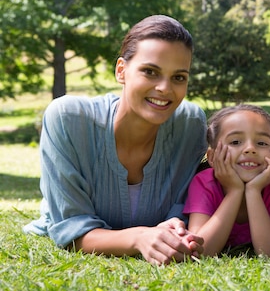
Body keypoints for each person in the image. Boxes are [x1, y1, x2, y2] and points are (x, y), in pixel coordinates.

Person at [23, 15, 208, 265]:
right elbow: (71, 230)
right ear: (121, 70)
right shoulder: (68, 119)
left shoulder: (190, 124)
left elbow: (181, 211)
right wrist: (138, 238)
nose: (165, 88)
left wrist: (176, 227)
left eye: (178, 77)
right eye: (150, 72)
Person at [184, 104, 270, 257]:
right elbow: (201, 249)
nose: (250, 149)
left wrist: (253, 190)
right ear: (212, 157)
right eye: (235, 142)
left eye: (262, 143)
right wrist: (235, 191)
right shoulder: (204, 183)